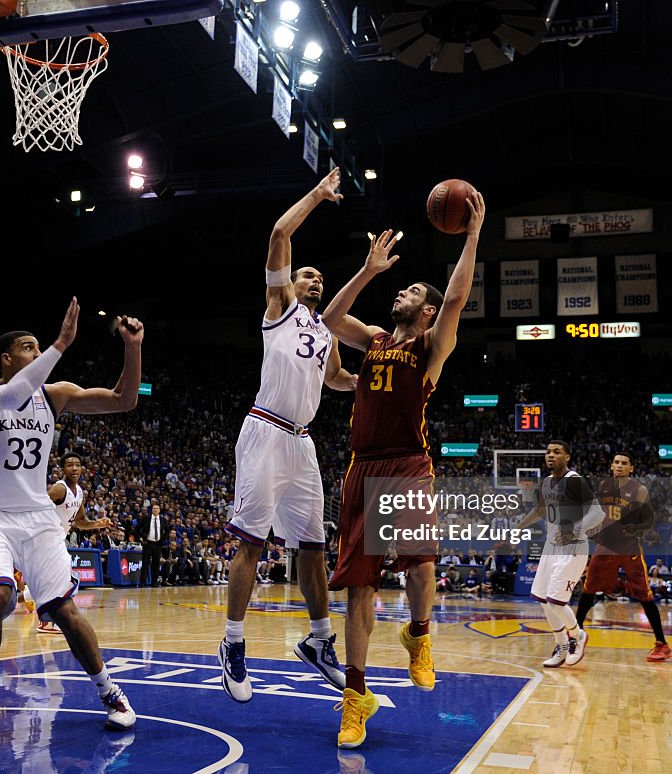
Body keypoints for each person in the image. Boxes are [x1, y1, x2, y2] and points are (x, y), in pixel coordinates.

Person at [321, 190, 486, 748]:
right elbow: (330, 318)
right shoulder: (372, 340)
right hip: (360, 469)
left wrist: (471, 236)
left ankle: (419, 635)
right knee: (359, 590)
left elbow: (459, 297)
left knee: (419, 564)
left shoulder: (431, 346)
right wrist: (368, 270)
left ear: (428, 310)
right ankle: (355, 698)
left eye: (413, 290)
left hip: (407, 464)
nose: (403, 290)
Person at [0, 298, 142, 737]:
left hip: (37, 517)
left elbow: (124, 400)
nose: (38, 353)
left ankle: (109, 690)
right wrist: (61, 343)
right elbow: (11, 394)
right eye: (29, 347)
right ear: (7, 358)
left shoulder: (54, 395)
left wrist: (133, 348)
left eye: (41, 347)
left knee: (63, 609)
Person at [218, 169, 358, 703]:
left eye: (320, 280)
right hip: (265, 431)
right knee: (252, 543)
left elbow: (338, 379)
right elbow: (279, 235)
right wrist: (319, 196)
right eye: (307, 276)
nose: (315, 282)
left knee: (314, 549)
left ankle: (320, 641)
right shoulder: (279, 312)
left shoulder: (325, 331)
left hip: (302, 442)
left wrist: (375, 378)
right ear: (289, 285)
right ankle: (232, 642)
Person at [516, 441, 604, 670]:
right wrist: (518, 526)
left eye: (557, 452)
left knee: (556, 601)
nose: (551, 455)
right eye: (547, 452)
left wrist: (575, 529)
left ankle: (578, 636)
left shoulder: (574, 480)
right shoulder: (546, 483)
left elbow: (597, 513)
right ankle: (561, 644)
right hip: (551, 546)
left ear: (567, 457)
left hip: (573, 547)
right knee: (543, 600)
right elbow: (541, 511)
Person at [575, 453, 671, 662]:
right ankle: (575, 636)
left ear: (631, 468)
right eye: (616, 462)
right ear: (611, 466)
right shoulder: (604, 485)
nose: (619, 465)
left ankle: (662, 644)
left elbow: (649, 519)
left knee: (644, 594)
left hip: (629, 547)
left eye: (624, 463)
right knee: (589, 589)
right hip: (606, 545)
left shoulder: (640, 490)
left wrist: (636, 528)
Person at [33, 451, 111, 633]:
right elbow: (37, 506)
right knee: (65, 578)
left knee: (55, 580)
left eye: (77, 464)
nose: (74, 468)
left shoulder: (79, 493)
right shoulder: (59, 489)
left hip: (58, 538)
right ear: (62, 469)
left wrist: (96, 524)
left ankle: (43, 615)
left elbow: (80, 521)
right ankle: (46, 621)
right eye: (69, 464)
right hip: (47, 538)